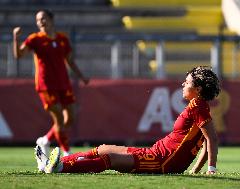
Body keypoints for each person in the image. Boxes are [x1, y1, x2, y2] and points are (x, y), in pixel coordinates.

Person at [36, 66, 220, 174]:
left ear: (198, 89)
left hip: (162, 161)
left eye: (187, 82)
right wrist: (196, 171)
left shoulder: (198, 106)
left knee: (110, 159)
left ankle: (60, 168)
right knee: (103, 148)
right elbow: (205, 141)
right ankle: (56, 164)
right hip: (155, 152)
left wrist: (210, 169)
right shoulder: (198, 106)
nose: (183, 84)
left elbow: (211, 139)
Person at [13, 9, 89, 161]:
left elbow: (70, 61)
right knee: (59, 119)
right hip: (45, 85)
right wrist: (15, 38)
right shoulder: (34, 39)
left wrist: (81, 77)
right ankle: (67, 152)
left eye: (43, 18)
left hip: (63, 83)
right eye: (38, 20)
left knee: (71, 118)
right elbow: (19, 55)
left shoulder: (62, 39)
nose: (40, 22)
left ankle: (45, 140)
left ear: (51, 19)